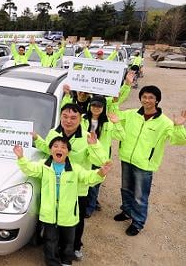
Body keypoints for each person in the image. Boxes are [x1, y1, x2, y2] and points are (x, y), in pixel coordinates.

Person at [14, 137, 112, 266]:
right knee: (50, 240)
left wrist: (100, 173)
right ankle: (52, 262)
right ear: (50, 150)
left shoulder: (75, 169)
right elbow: (30, 168)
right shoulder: (44, 165)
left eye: (63, 147)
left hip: (68, 214)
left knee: (68, 241)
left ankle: (66, 261)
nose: (59, 149)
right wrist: (21, 157)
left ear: (68, 152)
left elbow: (88, 177)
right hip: (49, 213)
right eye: (55, 146)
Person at [33, 104, 107, 261]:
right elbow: (48, 149)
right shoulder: (54, 132)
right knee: (54, 219)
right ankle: (54, 248)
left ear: (81, 119)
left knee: (75, 222)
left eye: (73, 118)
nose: (68, 121)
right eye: (65, 116)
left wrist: (95, 146)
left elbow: (101, 161)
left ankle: (74, 247)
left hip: (78, 188)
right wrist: (37, 139)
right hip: (56, 186)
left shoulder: (87, 137)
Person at [113, 86, 186, 236]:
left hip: (145, 165)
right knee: (126, 189)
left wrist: (179, 127)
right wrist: (114, 103)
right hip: (127, 158)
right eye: (144, 97)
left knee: (140, 196)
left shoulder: (165, 123)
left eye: (151, 97)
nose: (147, 100)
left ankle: (138, 222)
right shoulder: (132, 114)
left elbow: (179, 140)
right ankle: (127, 211)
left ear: (157, 100)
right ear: (140, 98)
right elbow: (115, 115)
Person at [81, 95, 125, 217]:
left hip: (99, 157)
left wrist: (117, 123)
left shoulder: (108, 122)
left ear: (104, 107)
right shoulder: (82, 119)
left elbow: (121, 137)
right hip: (84, 156)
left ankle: (90, 207)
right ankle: (85, 204)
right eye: (94, 105)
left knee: (94, 185)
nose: (96, 108)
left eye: (99, 106)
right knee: (84, 181)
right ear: (90, 105)